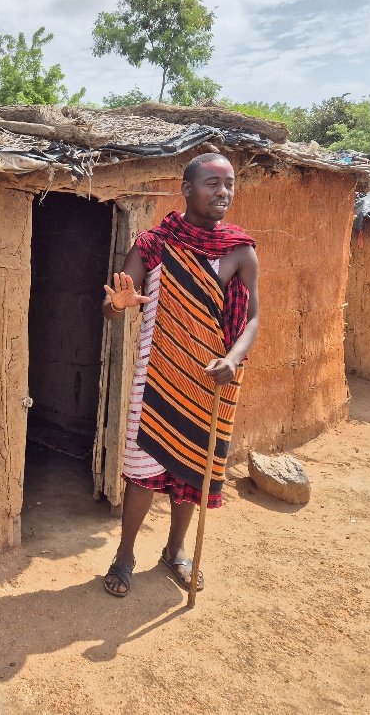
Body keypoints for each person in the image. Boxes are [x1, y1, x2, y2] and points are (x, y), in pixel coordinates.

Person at [101, 152, 259, 597]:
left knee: (191, 471)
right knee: (142, 469)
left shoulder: (240, 251)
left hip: (212, 380)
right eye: (212, 183)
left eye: (229, 184)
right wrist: (119, 304)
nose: (223, 192)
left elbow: (252, 319)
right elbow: (112, 304)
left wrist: (234, 358)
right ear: (187, 189)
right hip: (157, 378)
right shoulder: (154, 244)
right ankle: (124, 556)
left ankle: (175, 551)